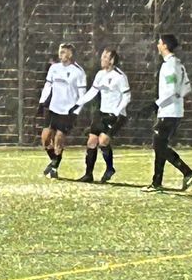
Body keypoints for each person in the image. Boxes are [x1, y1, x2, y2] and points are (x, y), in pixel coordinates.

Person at [144, 34, 192, 192]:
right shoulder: (178, 64)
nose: (158, 46)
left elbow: (172, 90)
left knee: (159, 145)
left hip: (169, 112)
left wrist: (156, 104)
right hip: (174, 111)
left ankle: (187, 172)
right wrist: (178, 97)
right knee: (160, 145)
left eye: (159, 43)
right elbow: (186, 87)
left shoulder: (169, 65)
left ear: (165, 46)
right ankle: (157, 182)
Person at [75, 47, 130, 183]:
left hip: (116, 115)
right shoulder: (100, 74)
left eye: (105, 57)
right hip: (102, 113)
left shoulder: (120, 76)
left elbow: (126, 96)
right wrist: (78, 103)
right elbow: (93, 91)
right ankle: (88, 174)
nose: (102, 59)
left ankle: (110, 168)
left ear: (112, 60)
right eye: (102, 56)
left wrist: (116, 111)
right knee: (91, 142)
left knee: (103, 141)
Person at [37, 43, 88, 179]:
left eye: (64, 52)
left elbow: (82, 94)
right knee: (45, 139)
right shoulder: (54, 68)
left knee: (59, 139)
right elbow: (48, 86)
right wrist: (41, 103)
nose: (61, 54)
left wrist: (76, 110)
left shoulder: (78, 72)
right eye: (60, 51)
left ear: (70, 54)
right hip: (53, 109)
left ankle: (54, 167)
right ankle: (54, 161)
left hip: (68, 111)